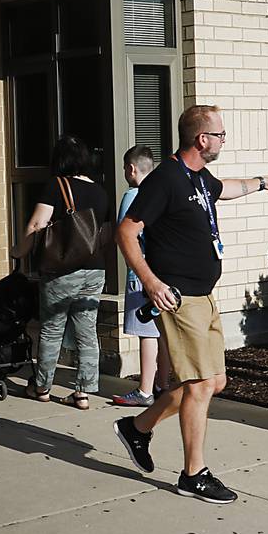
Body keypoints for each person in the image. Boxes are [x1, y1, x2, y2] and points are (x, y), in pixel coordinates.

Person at [112, 105, 268, 503]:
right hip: (178, 297)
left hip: (203, 294)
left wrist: (267, 182)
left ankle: (138, 427)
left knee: (214, 382)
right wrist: (150, 281)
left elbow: (225, 188)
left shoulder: (197, 177)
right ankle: (193, 474)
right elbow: (126, 231)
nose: (224, 141)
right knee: (198, 385)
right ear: (202, 139)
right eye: (221, 135)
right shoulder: (165, 179)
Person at [11, 136, 113, 409]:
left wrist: (18, 253)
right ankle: (83, 393)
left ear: (59, 160)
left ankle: (42, 387)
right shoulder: (101, 192)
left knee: (52, 329)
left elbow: (37, 224)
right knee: (87, 331)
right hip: (95, 270)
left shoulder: (57, 186)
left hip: (62, 270)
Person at [111, 145, 173, 408]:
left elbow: (126, 235)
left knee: (146, 333)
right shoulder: (161, 194)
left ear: (132, 169)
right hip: (163, 271)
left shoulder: (133, 195)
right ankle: (163, 384)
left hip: (142, 273)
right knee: (163, 332)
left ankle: (145, 390)